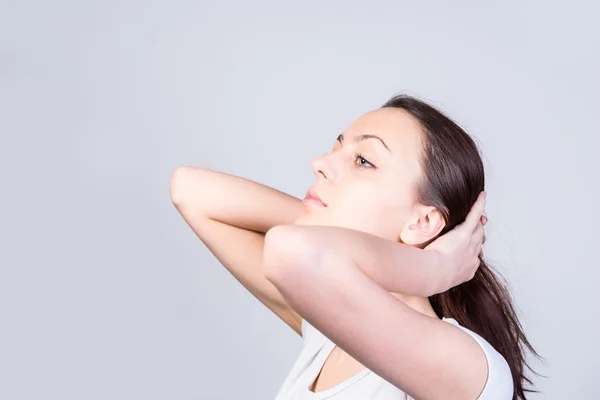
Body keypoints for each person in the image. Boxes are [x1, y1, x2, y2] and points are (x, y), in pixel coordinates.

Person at [169, 94, 539, 399]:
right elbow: (189, 189)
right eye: (336, 148)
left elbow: (292, 252)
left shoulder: (466, 367)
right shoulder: (331, 333)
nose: (320, 164)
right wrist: (429, 263)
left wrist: (436, 269)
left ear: (422, 222)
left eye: (363, 161)